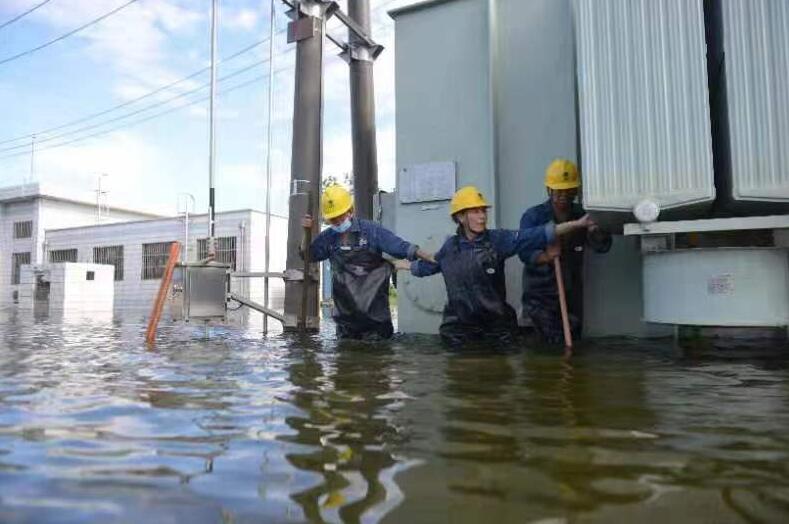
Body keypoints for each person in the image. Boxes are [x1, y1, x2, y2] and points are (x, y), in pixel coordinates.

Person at [398, 186, 592, 347]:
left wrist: (576, 224)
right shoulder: (450, 247)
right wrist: (403, 265)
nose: (482, 216)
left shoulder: (498, 240)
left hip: (497, 329)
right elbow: (431, 265)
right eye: (475, 211)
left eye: (483, 211)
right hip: (459, 330)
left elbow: (536, 234)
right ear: (460, 217)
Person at [302, 184, 434, 340]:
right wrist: (306, 232)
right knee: (344, 361)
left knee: (376, 361)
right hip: (346, 324)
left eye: (340, 217)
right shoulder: (327, 238)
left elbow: (402, 247)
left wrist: (430, 258)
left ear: (350, 211)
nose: (337, 222)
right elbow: (307, 256)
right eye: (333, 220)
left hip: (376, 323)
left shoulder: (371, 231)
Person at [520, 159, 612, 345]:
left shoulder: (584, 215)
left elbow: (603, 247)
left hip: (571, 292)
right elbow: (524, 251)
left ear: (576, 191)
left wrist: (596, 231)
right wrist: (546, 256)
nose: (563, 195)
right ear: (549, 190)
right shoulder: (534, 216)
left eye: (569, 190)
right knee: (546, 347)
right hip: (540, 295)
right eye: (558, 191)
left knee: (572, 340)